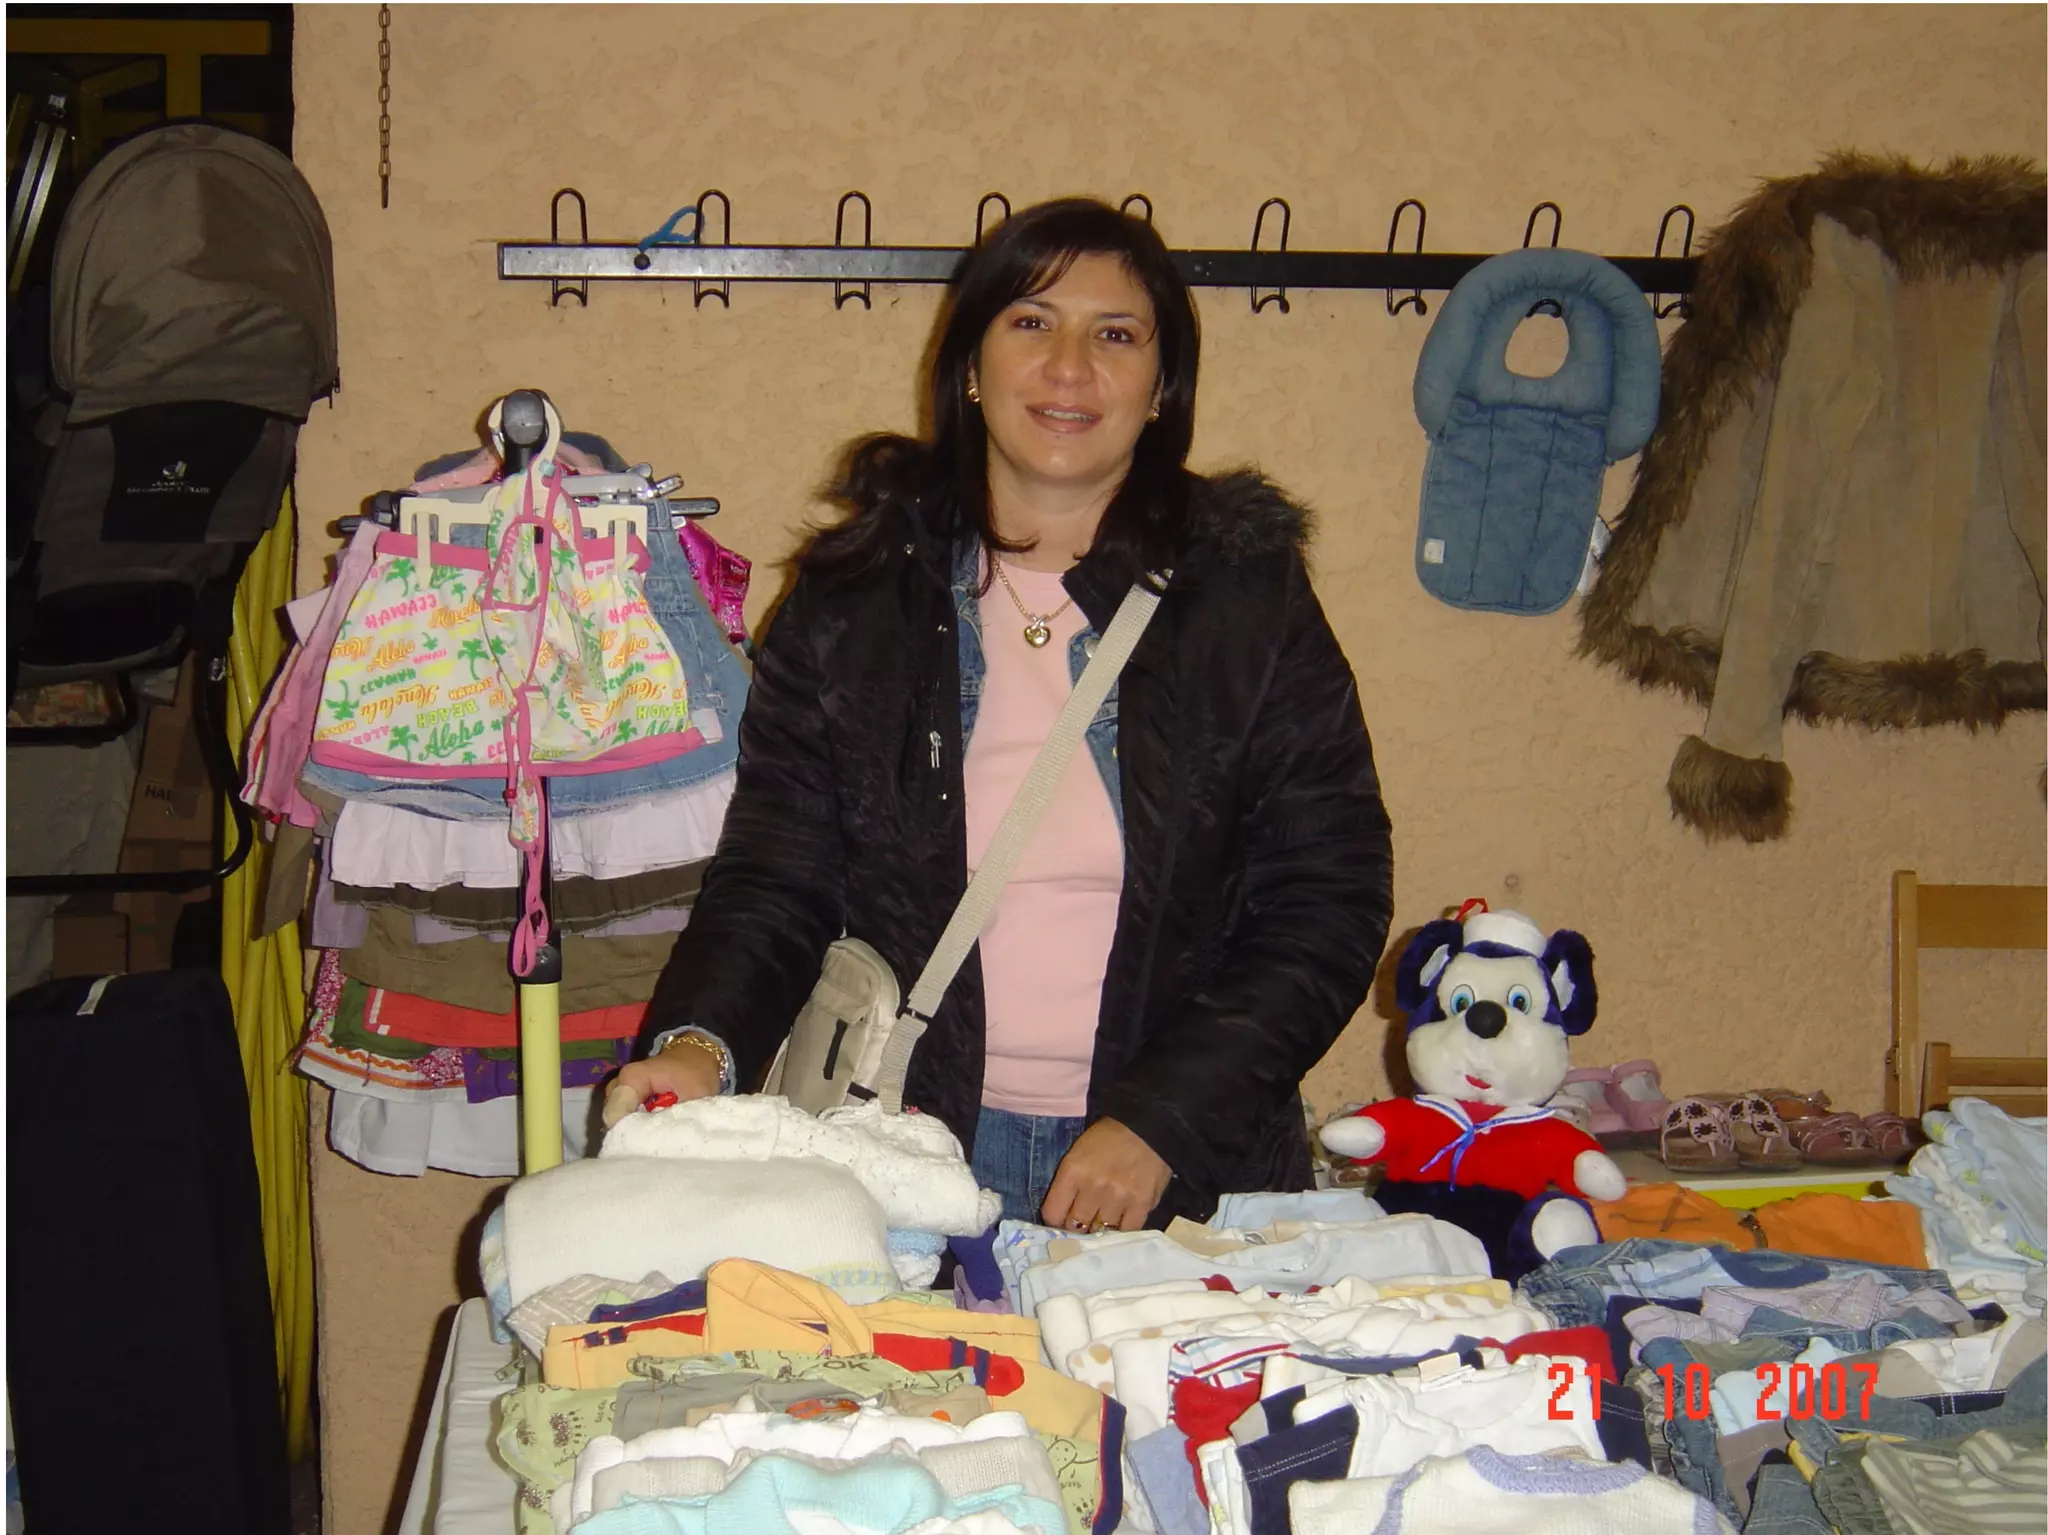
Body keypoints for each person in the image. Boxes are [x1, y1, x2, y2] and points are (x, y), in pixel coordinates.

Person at [608, 197, 1394, 1232]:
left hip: (1178, 1168)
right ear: (971, 365)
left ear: (1161, 385)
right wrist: (696, 1045)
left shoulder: (1243, 598)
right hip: (906, 1152)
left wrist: (1160, 1122)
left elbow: (1328, 894)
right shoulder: (856, 602)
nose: (1069, 366)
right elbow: (778, 878)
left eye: (1115, 335)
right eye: (1031, 321)